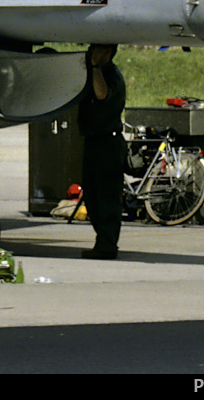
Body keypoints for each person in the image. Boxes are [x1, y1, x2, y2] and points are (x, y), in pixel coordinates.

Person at [78, 44, 126, 259]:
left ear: (107, 52)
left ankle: (107, 245)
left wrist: (96, 66)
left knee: (107, 197)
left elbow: (101, 94)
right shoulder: (92, 72)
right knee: (92, 195)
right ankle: (102, 241)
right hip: (93, 141)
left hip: (108, 143)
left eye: (96, 49)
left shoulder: (111, 75)